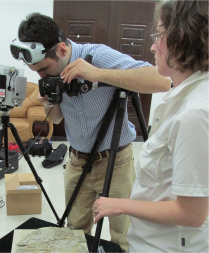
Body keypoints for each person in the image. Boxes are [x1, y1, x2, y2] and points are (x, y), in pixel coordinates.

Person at [11, 13, 171, 252]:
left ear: (62, 50)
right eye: (37, 72)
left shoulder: (98, 56)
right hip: (77, 161)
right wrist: (49, 102)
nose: (41, 77)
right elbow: (56, 118)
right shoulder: (49, 76)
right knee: (75, 231)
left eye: (44, 69)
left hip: (116, 160)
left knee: (123, 233)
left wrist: (98, 74)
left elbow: (162, 81)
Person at [62, 0, 209, 252]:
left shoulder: (195, 113)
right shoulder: (184, 96)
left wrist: (120, 205)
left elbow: (193, 214)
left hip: (166, 245)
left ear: (181, 37)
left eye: (159, 35)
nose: (152, 45)